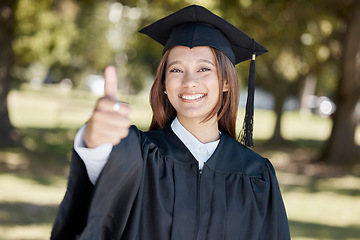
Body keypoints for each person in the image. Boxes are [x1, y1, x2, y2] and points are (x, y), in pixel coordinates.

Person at [51, 5, 291, 240]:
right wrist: (93, 137)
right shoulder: (140, 153)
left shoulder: (256, 175)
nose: (189, 81)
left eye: (204, 69)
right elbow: (105, 163)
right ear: (164, 84)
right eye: (176, 70)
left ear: (226, 82)